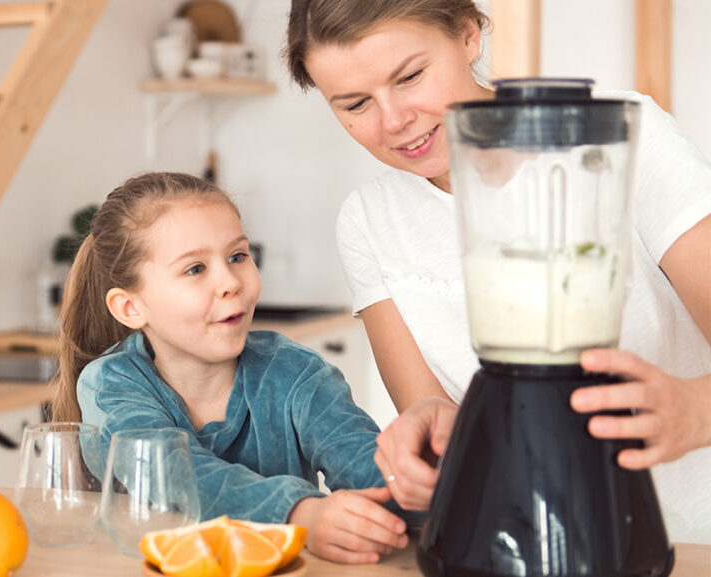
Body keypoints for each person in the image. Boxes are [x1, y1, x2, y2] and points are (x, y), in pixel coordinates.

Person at [285, 0, 711, 544]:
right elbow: (437, 420)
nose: (393, 121)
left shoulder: (619, 136)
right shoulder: (369, 221)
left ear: (467, 36)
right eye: (354, 103)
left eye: (410, 76)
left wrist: (696, 410)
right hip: (520, 546)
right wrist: (425, 455)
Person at [51, 172, 415, 563]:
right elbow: (177, 477)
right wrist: (299, 514)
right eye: (195, 269)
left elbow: (371, 469)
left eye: (237, 257)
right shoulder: (111, 384)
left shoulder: (296, 373)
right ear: (131, 307)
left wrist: (413, 488)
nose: (230, 282)